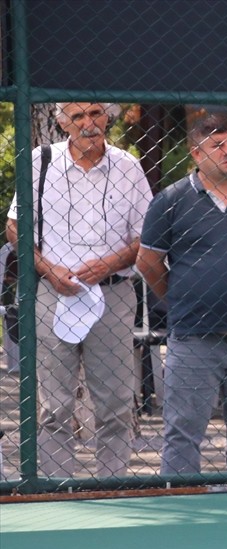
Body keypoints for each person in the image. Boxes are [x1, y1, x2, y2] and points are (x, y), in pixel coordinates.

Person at [5, 101, 152, 478]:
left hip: (113, 294)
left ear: (108, 117)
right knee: (54, 404)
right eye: (78, 117)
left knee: (117, 402)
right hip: (53, 294)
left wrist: (110, 263)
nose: (89, 123)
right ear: (62, 123)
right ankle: (56, 487)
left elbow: (146, 237)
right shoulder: (41, 161)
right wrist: (48, 269)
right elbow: (14, 227)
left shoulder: (128, 168)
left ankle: (112, 486)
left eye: (96, 114)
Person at [136, 111, 227, 475]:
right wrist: (183, 297)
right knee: (183, 433)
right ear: (197, 154)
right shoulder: (170, 201)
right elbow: (148, 262)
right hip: (193, 337)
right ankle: (181, 511)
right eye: (218, 145)